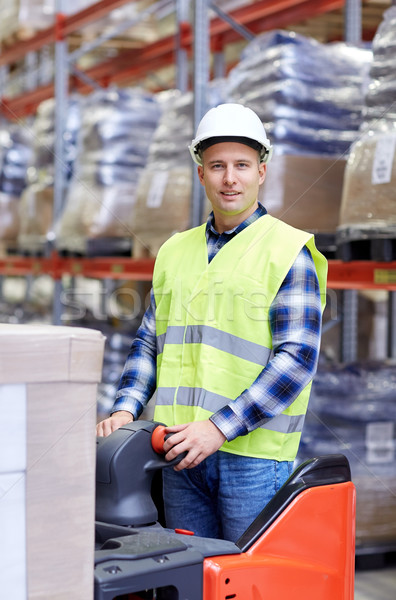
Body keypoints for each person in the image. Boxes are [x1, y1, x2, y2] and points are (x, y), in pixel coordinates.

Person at [96, 103, 327, 543]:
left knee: (247, 579)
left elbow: (296, 359)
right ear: (201, 174)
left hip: (252, 458)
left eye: (242, 165)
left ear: (262, 171)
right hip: (179, 452)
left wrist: (219, 427)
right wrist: (125, 408)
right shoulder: (174, 250)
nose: (229, 178)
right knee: (191, 575)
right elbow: (149, 342)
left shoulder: (286, 250)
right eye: (217, 166)